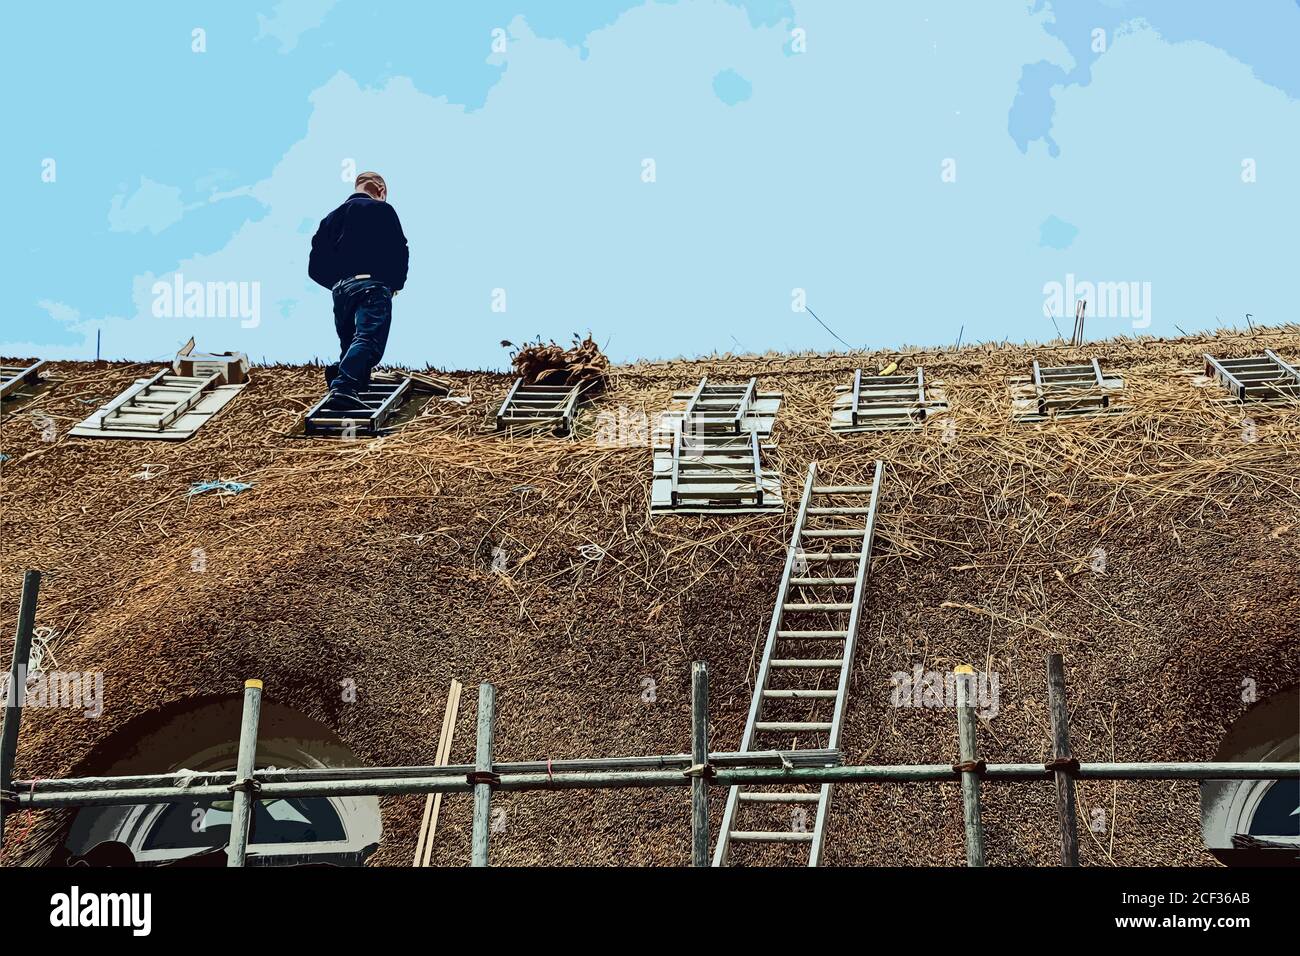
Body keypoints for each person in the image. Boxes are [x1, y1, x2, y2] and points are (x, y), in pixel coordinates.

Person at [308, 171, 409, 410]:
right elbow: (399, 249)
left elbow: (315, 265)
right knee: (369, 339)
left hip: (341, 291)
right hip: (372, 285)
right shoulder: (382, 210)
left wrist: (337, 283)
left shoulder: (330, 218)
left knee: (350, 343)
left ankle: (350, 380)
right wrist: (394, 283)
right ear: (380, 190)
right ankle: (343, 386)